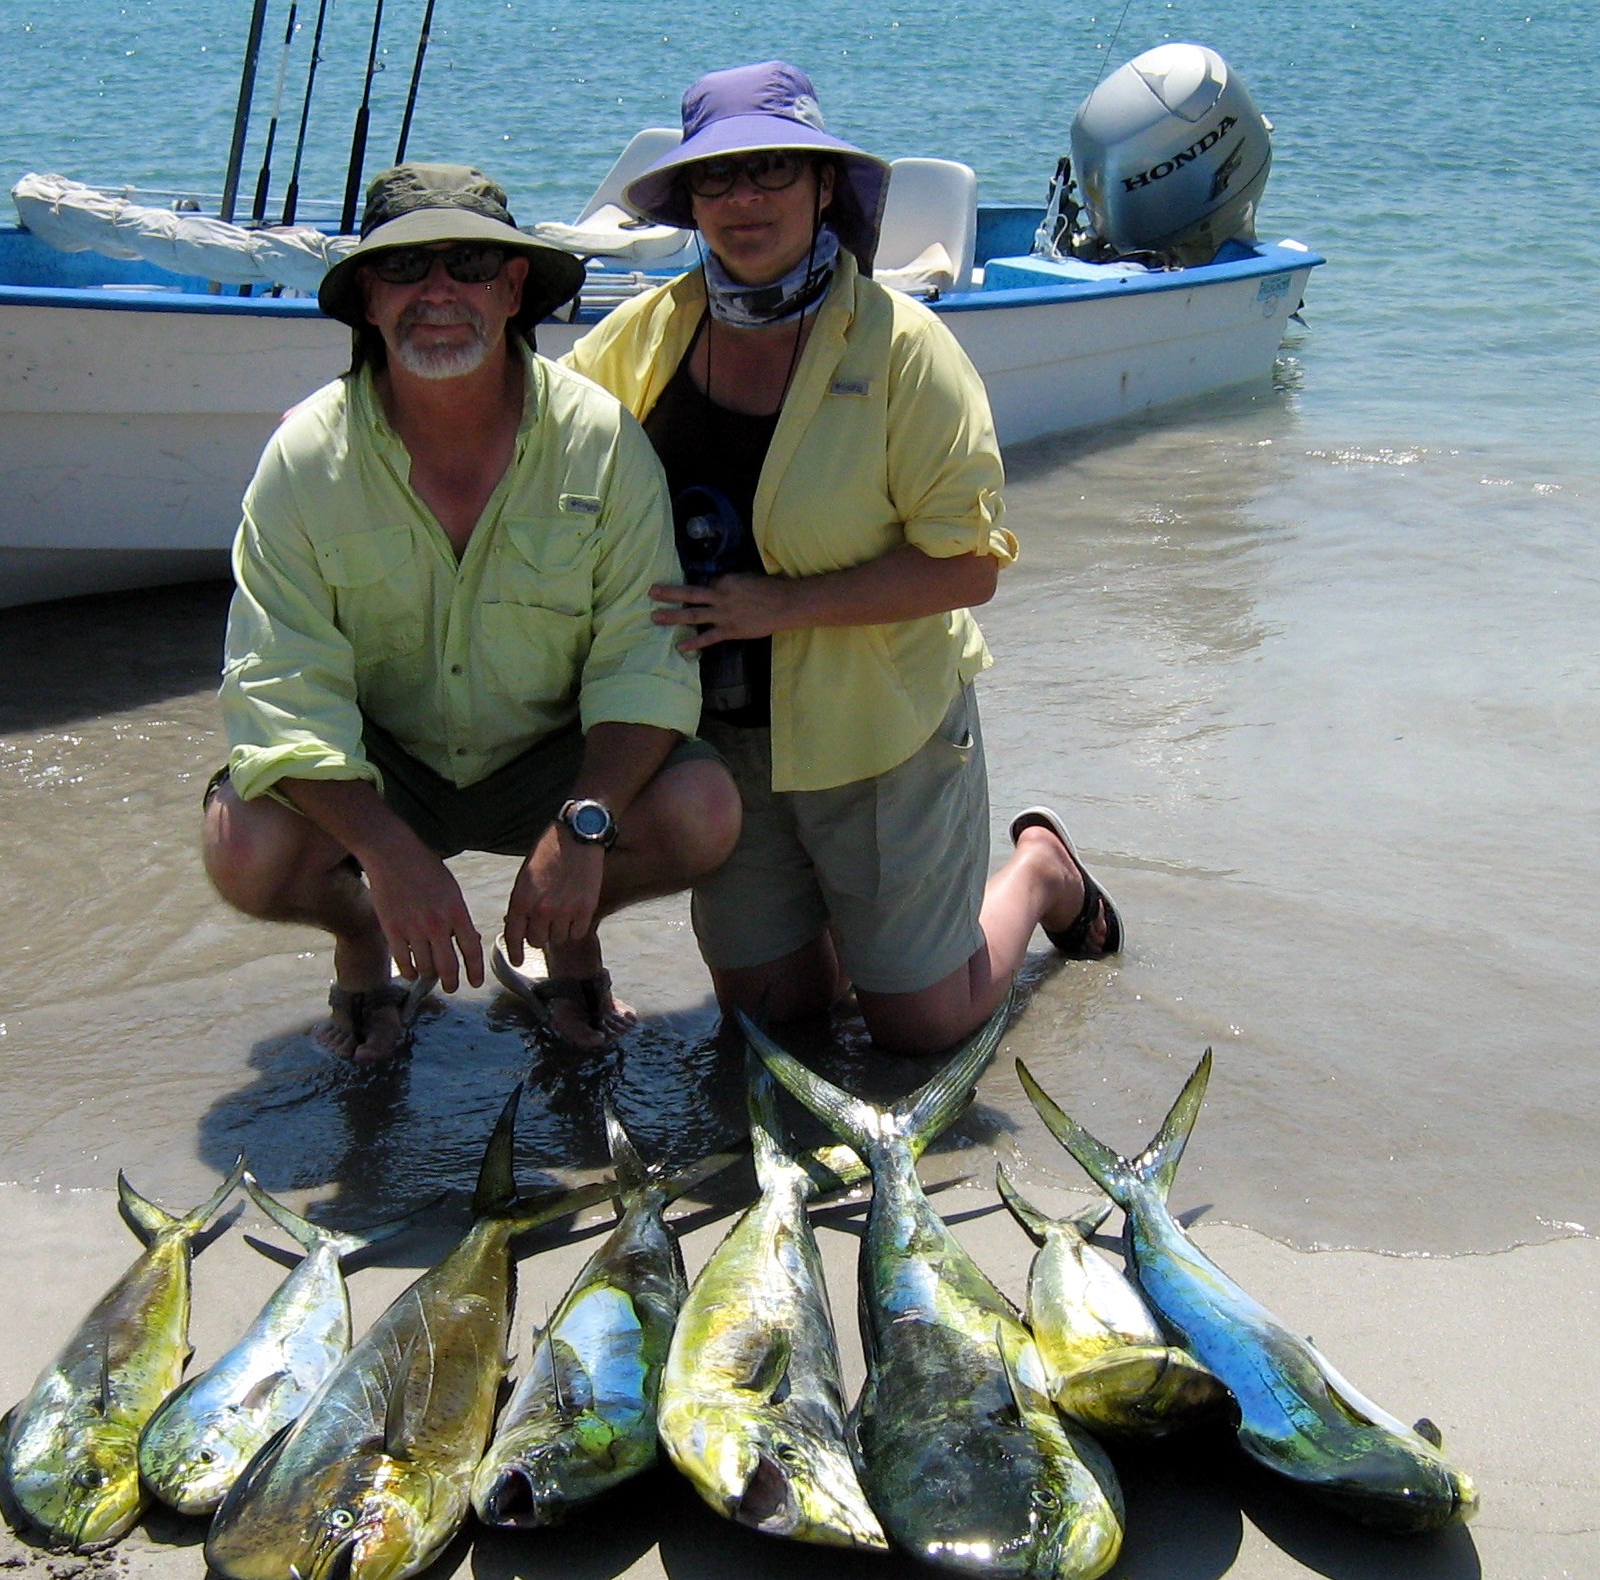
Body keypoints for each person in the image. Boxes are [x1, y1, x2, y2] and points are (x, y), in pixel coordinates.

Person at [564, 62, 1123, 1056]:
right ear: (687, 198)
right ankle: (846, 929)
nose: (744, 198)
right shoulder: (635, 344)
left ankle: (1040, 870)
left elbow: (968, 570)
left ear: (825, 186)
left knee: (920, 1026)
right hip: (722, 736)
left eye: (772, 170)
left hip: (880, 727)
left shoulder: (905, 350)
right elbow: (534, 464)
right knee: (773, 1027)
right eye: (716, 175)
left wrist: (778, 606)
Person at [202, 164, 740, 1063]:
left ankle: (564, 934)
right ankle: (367, 939)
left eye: (470, 264)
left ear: (514, 287)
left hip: (551, 761)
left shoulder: (601, 441)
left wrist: (582, 824)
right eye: (405, 267)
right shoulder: (302, 458)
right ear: (367, 297)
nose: (438, 291)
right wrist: (385, 853)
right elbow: (277, 692)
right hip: (384, 768)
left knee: (704, 806)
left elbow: (645, 663)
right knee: (242, 842)